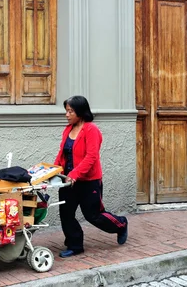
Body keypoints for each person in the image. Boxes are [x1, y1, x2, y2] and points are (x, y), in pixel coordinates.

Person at [53, 95, 128, 258]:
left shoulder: (91, 130)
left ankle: (120, 224)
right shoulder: (68, 130)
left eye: (70, 111)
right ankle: (75, 244)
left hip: (88, 181)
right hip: (68, 181)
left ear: (80, 112)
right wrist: (53, 170)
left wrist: (74, 174)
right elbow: (62, 154)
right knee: (66, 213)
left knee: (93, 215)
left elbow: (91, 157)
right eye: (66, 111)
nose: (67, 115)